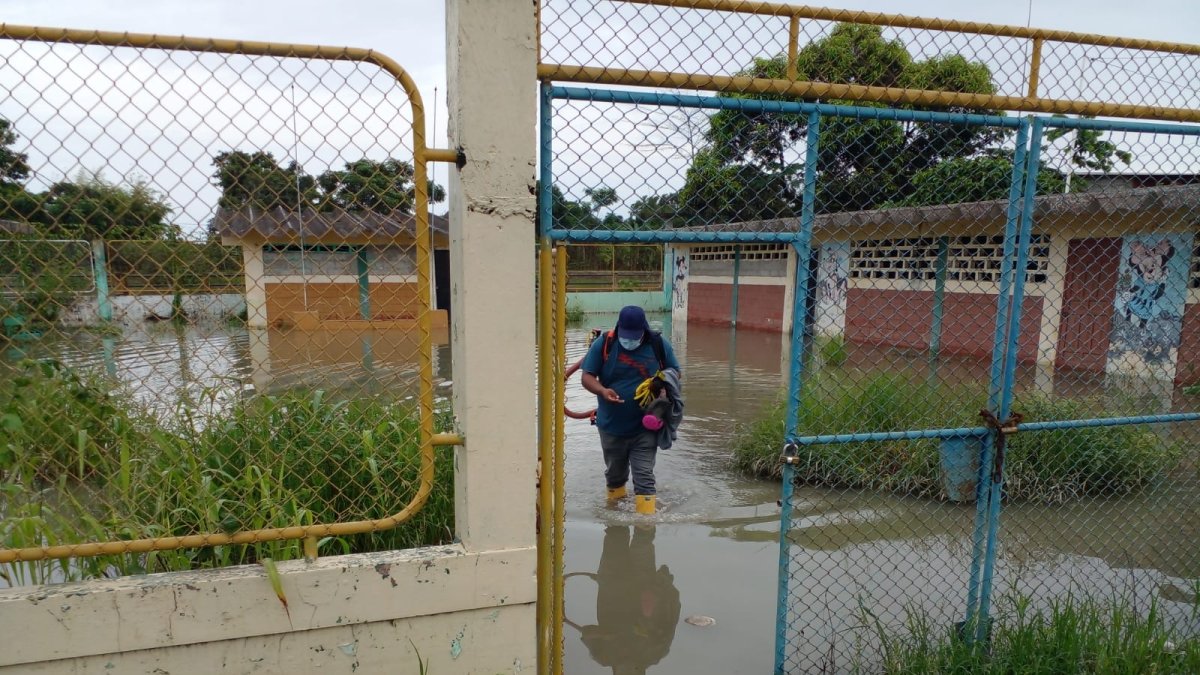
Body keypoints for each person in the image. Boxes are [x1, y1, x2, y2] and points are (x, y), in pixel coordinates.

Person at [580, 305, 681, 515]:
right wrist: (602, 390)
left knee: (644, 476)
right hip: (610, 426)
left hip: (645, 426)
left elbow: (675, 372)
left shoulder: (658, 345)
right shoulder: (604, 344)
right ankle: (615, 523)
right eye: (626, 335)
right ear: (619, 328)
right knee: (615, 475)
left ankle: (645, 530)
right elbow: (587, 376)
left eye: (634, 336)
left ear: (643, 328)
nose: (630, 340)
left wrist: (661, 382)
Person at [566, 525, 680, 674]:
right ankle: (645, 503)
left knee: (615, 532)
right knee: (642, 539)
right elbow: (673, 611)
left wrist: (604, 635)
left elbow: (587, 633)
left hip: (611, 579)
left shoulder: (604, 656)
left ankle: (618, 503)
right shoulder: (654, 652)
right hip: (642, 582)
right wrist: (661, 587)